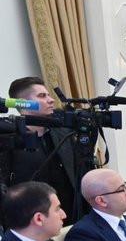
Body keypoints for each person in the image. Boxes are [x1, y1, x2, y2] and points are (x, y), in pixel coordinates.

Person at [2, 76, 80, 224]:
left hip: (73, 216)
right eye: (42, 96)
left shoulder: (64, 133)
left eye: (49, 95)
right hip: (33, 221)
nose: (51, 100)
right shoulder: (9, 139)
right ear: (23, 103)